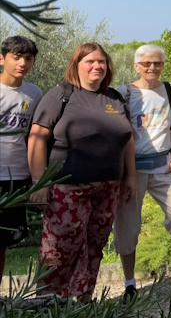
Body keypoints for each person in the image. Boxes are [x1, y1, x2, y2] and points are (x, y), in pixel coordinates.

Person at [27, 43, 134, 301]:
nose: (97, 66)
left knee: (95, 246)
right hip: (67, 187)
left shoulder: (114, 98)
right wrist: (39, 182)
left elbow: (128, 139)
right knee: (60, 249)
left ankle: (81, 302)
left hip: (108, 187)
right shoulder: (60, 95)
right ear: (76, 65)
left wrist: (130, 177)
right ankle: (47, 303)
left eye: (102, 62)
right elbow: (37, 137)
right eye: (90, 61)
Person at [113, 45, 171, 299]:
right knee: (128, 229)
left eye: (157, 63)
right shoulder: (124, 93)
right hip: (132, 171)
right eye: (147, 63)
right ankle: (129, 283)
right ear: (136, 66)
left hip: (163, 168)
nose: (153, 68)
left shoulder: (170, 91)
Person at [0, 35, 42, 281]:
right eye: (16, 57)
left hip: (16, 176)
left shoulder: (34, 93)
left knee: (3, 242)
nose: (22, 63)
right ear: (2, 58)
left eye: (28, 58)